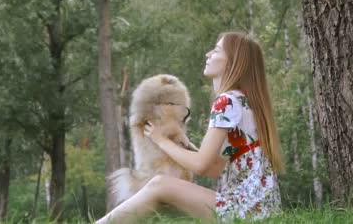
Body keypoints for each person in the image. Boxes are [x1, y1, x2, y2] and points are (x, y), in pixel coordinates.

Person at [95, 31, 284, 223]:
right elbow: (215, 168)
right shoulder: (243, 101)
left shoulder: (227, 102)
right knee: (164, 195)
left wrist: (160, 139)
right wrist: (185, 144)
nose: (208, 55)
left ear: (234, 61)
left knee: (159, 184)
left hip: (244, 210)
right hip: (261, 210)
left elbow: (201, 166)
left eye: (216, 51)